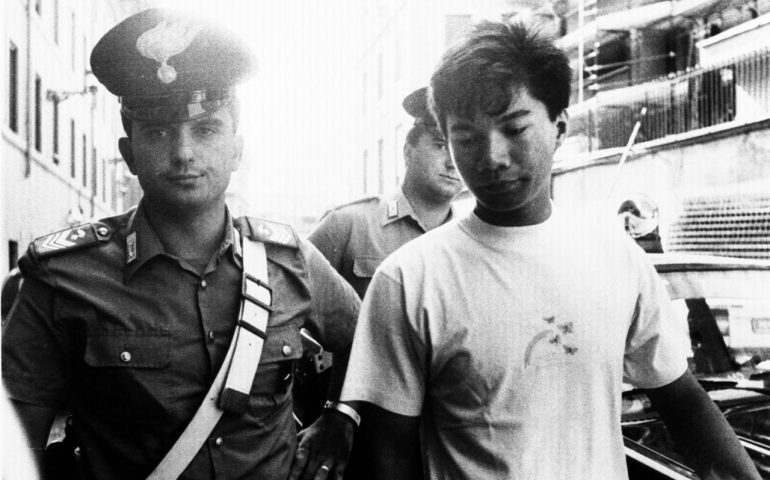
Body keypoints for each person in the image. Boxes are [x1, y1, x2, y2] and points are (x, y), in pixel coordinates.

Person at [339, 21, 760, 479]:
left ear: (559, 126)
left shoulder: (617, 259)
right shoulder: (409, 279)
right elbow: (387, 452)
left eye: (515, 128)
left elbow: (683, 402)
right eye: (466, 138)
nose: (492, 156)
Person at [2, 9, 359, 480]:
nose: (184, 151)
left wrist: (341, 416)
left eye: (206, 129)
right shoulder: (63, 277)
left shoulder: (292, 261)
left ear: (237, 149)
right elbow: (14, 445)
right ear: (129, 154)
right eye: (158, 130)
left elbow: (371, 341)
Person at [304, 86, 463, 477]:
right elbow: (286, 319)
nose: (453, 161)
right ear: (408, 150)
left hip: (440, 441)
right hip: (353, 438)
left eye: (461, 146)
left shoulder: (468, 246)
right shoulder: (349, 225)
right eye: (440, 144)